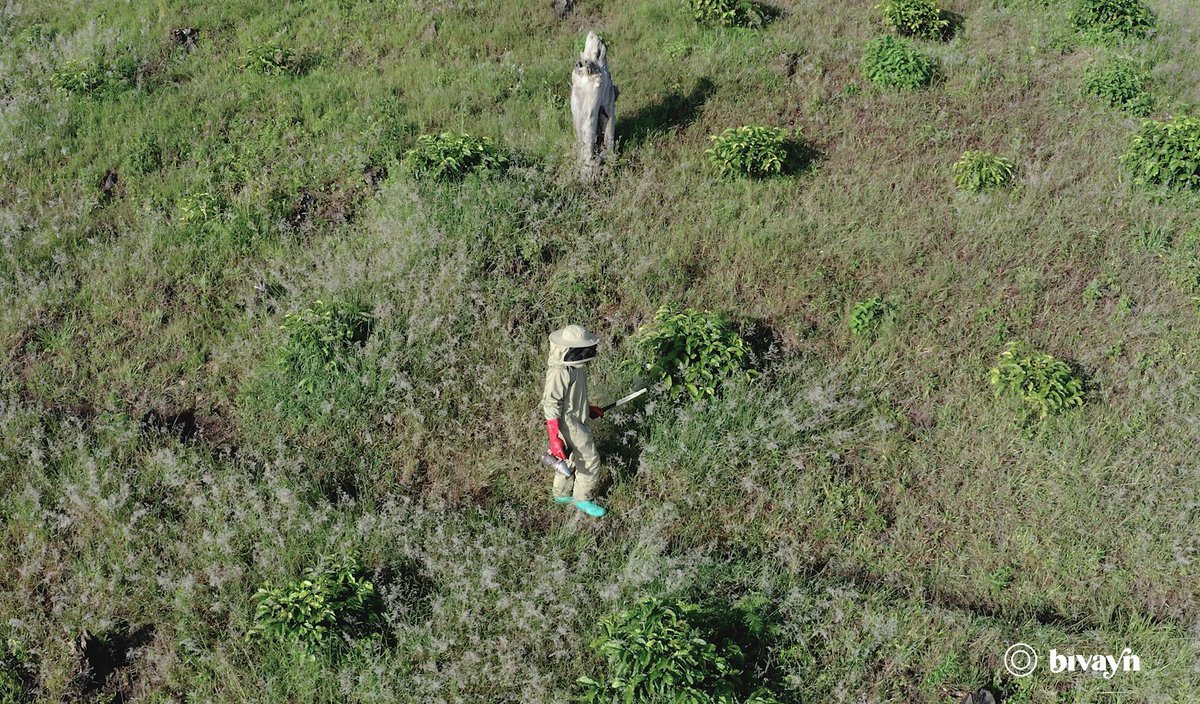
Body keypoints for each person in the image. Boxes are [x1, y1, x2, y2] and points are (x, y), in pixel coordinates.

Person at [542, 324, 607, 517]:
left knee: (568, 455)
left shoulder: (575, 367)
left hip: (575, 417)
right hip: (569, 422)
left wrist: (587, 409)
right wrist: (554, 437)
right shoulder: (559, 371)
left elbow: (572, 398)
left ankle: (561, 494)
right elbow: (551, 403)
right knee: (589, 459)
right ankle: (582, 499)